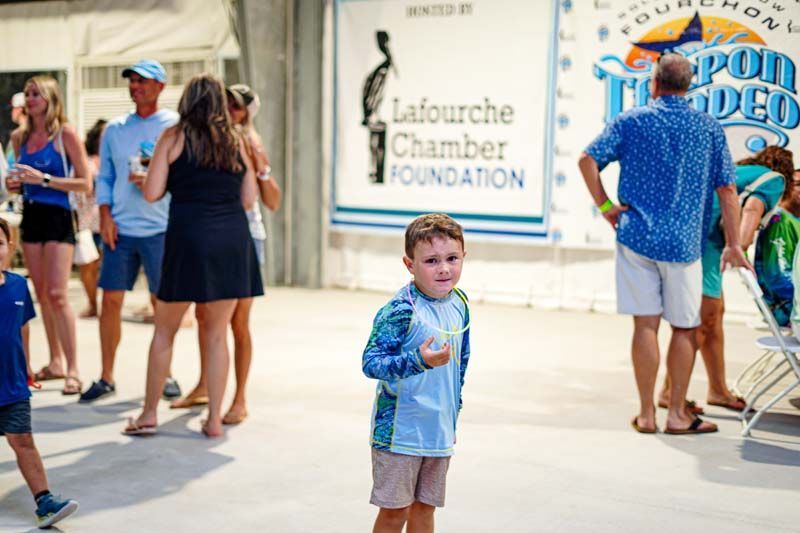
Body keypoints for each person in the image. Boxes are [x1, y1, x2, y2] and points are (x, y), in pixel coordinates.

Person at [578, 53, 749, 435]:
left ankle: (646, 414)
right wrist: (734, 242)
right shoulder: (707, 127)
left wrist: (606, 207)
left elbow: (587, 160)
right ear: (688, 86)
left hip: (636, 236)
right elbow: (727, 188)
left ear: (654, 83)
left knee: (645, 327)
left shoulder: (631, 120)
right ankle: (676, 414)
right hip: (685, 244)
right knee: (685, 328)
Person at [123, 73, 262, 438]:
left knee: (164, 332)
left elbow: (152, 192)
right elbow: (248, 200)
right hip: (231, 241)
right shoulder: (236, 139)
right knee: (217, 335)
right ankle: (214, 420)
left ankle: (149, 414)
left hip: (187, 239)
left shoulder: (173, 136)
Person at [172, 84, 281, 425]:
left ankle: (240, 398)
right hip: (213, 236)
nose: (230, 110)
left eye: (236, 105)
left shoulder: (248, 140)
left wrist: (261, 168)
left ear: (247, 111)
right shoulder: (207, 137)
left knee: (238, 324)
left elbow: (272, 200)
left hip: (244, 235)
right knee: (206, 319)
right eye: (226, 103)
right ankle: (206, 385)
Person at [657, 146, 794, 413]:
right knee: (701, 323)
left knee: (715, 315)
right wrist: (740, 245)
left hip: (689, 240)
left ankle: (718, 390)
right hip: (704, 248)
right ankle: (669, 393)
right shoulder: (774, 180)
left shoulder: (740, 171)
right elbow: (753, 209)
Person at [80, 60, 182, 403]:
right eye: (133, 80)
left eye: (144, 81)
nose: (136, 86)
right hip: (121, 229)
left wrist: (156, 180)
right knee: (110, 301)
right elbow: (105, 176)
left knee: (162, 305)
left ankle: (166, 373)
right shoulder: (115, 128)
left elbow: (183, 175)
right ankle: (107, 376)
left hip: (162, 228)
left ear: (161, 87)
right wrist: (105, 214)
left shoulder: (174, 125)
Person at [363, 213, 470, 533]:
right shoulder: (401, 309)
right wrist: (417, 361)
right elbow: (371, 362)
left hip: (437, 430)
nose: (444, 268)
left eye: (452, 258)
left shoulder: (460, 303)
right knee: (395, 513)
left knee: (425, 510)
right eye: (432, 261)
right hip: (400, 433)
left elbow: (460, 365)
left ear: (464, 256)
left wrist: (452, 415)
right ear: (410, 265)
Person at [6, 76, 91, 395]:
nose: (30, 98)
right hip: (32, 215)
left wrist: (42, 179)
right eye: (27, 93)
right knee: (41, 295)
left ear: (51, 97)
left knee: (57, 294)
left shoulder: (65, 133)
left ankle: (73, 369)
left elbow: (85, 183)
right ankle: (55, 362)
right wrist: (16, 184)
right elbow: (17, 182)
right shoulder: (19, 137)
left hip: (58, 215)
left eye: (36, 93)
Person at [0, 218, 79, 528]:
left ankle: (44, 500)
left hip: (13, 384)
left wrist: (28, 367)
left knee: (24, 441)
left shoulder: (19, 285)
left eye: (0, 243)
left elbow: (23, 329)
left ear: (9, 247)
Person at [755, 169, 800, 326]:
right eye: (798, 184)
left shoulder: (795, 219)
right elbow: (778, 277)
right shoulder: (780, 220)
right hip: (784, 309)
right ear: (787, 188)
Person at [74, 119, 107, 318]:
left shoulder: (114, 159)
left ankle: (103, 305)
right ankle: (93, 304)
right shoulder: (86, 161)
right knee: (87, 267)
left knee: (105, 268)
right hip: (87, 222)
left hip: (108, 221)